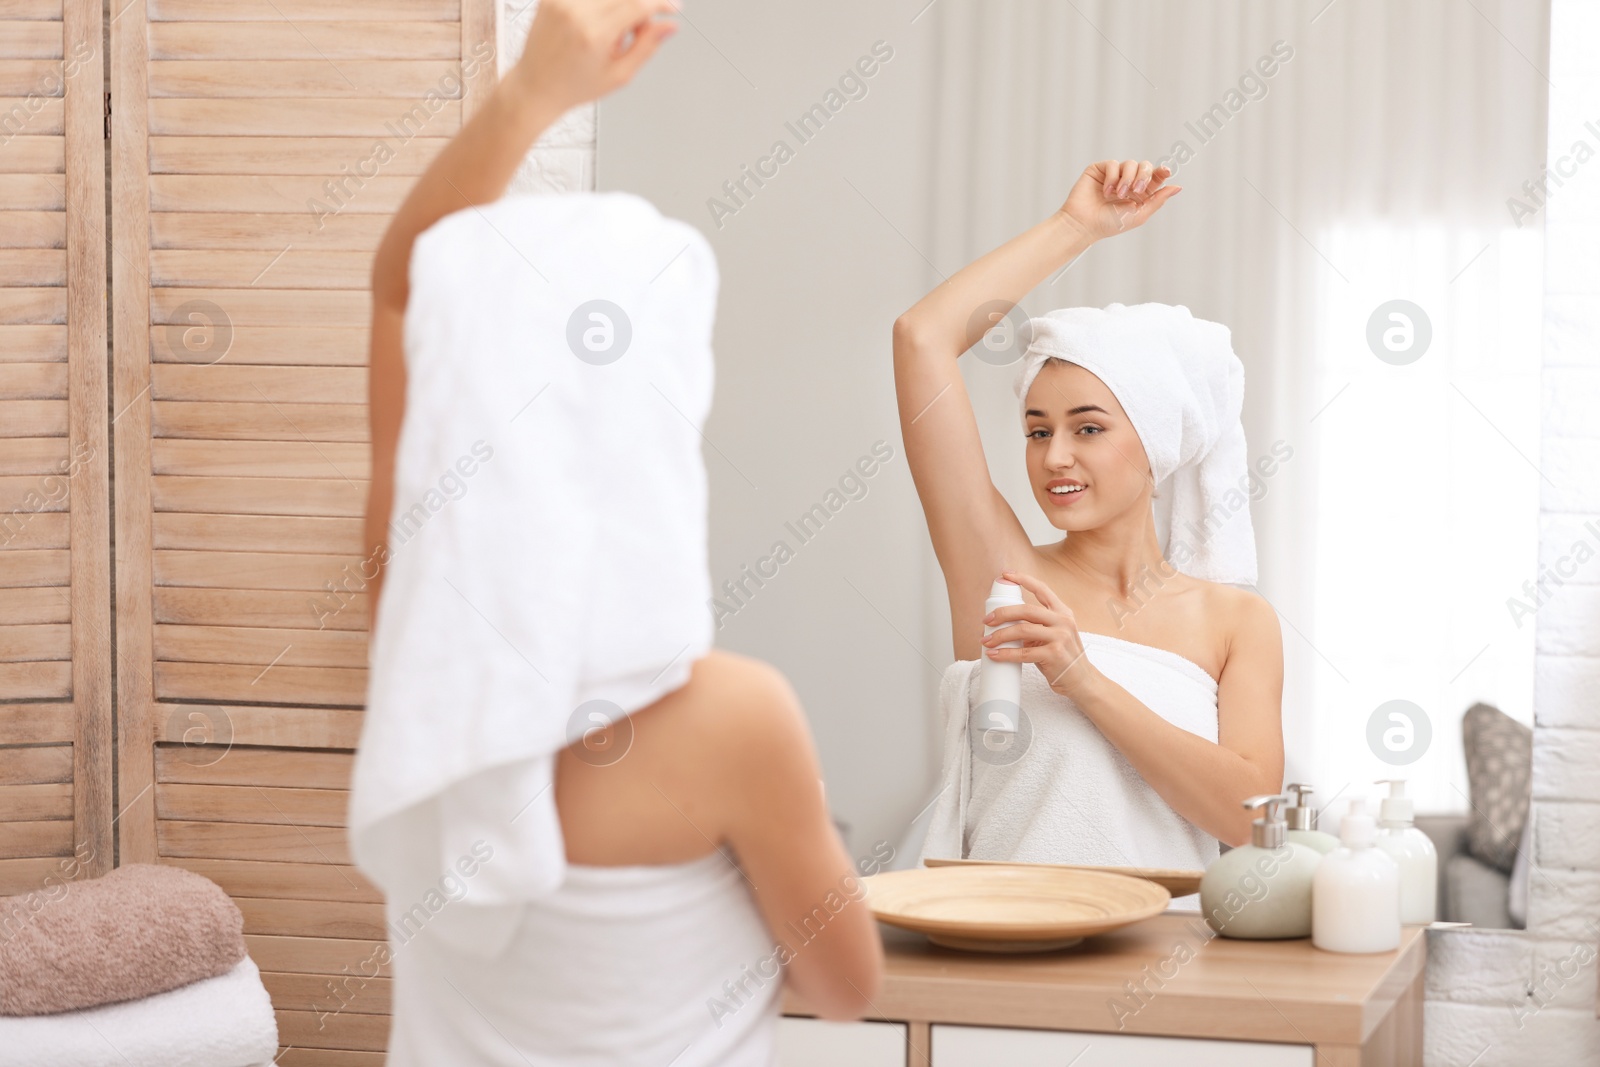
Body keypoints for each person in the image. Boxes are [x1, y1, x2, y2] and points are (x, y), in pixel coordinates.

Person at [361, 1, 883, 1062]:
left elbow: (397, 291)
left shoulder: (423, 658)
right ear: (661, 411)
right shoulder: (736, 720)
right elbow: (845, 988)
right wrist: (797, 831)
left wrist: (530, 95)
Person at [894, 161, 1285, 866]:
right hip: (1007, 952)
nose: (1054, 458)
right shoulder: (1004, 580)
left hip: (1167, 962)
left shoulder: (1234, 624)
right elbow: (921, 337)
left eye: (1089, 428)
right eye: (1038, 430)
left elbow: (1249, 818)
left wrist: (1081, 678)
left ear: (1156, 445)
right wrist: (1076, 227)